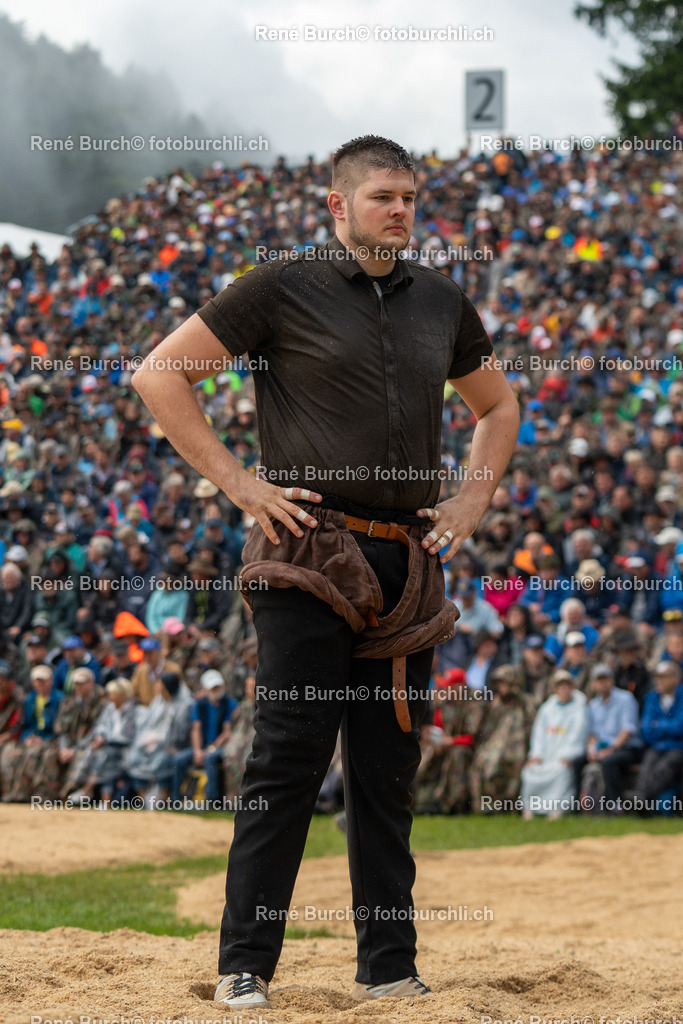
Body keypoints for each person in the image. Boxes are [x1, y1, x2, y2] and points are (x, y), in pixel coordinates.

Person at [132, 135, 519, 1007]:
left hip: (408, 557)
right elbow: (161, 374)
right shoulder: (281, 286)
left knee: (386, 769)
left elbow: (497, 406)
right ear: (336, 206)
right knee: (287, 762)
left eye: (410, 198)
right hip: (306, 549)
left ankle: (388, 967)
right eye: (383, 196)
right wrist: (239, 483)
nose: (400, 211)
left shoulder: (441, 302)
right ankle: (245, 967)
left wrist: (469, 503)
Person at [520, 669, 589, 819]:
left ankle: (557, 809)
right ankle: (530, 809)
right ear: (555, 688)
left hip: (563, 757)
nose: (565, 689)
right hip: (545, 755)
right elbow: (538, 734)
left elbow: (578, 735)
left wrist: (567, 755)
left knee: (561, 772)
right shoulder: (547, 708)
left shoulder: (579, 709)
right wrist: (536, 754)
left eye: (567, 686)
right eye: (561, 686)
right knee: (530, 771)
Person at [573, 663, 642, 807]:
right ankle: (578, 805)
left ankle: (614, 805)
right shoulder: (593, 705)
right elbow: (592, 734)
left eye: (605, 679)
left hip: (627, 748)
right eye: (599, 680)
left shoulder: (625, 698)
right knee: (577, 761)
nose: (603, 683)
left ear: (612, 680)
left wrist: (611, 750)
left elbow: (627, 731)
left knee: (609, 761)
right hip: (603, 749)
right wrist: (593, 749)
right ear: (593, 684)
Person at [172, 669, 237, 805]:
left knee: (210, 758)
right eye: (212, 688)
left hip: (221, 746)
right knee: (179, 760)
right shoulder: (200, 705)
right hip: (202, 746)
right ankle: (176, 799)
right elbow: (196, 729)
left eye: (218, 687)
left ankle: (212, 801)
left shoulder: (230, 704)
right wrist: (197, 751)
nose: (216, 690)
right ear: (205, 689)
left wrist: (212, 748)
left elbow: (227, 732)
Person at [635, 661, 683, 810]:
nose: (658, 681)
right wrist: (668, 727)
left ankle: (642, 799)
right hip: (658, 745)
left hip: (678, 748)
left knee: (667, 765)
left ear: (675, 679)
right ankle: (641, 799)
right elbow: (646, 730)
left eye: (663, 677)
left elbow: (680, 727)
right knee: (649, 763)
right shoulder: (651, 698)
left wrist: (658, 725)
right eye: (657, 677)